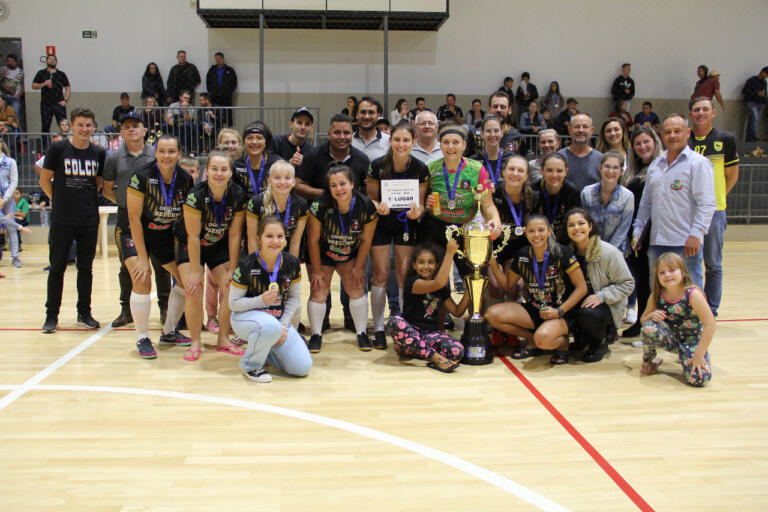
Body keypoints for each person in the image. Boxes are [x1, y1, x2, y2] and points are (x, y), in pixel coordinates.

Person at [122, 134, 194, 358]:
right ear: (156, 153)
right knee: (142, 278)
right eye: (162, 151)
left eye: (171, 151)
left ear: (179, 154)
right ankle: (142, 338)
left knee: (184, 280)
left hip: (164, 235)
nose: (166, 155)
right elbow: (133, 219)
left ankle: (169, 332)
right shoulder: (141, 176)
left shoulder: (184, 179)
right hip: (134, 233)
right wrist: (143, 259)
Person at [485, 214, 587, 365]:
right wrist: (493, 265)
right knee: (492, 314)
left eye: (541, 230)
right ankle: (531, 338)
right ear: (525, 233)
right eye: (531, 231)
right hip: (536, 309)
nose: (536, 235)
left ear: (549, 230)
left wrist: (559, 311)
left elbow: (582, 288)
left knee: (543, 341)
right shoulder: (522, 255)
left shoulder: (562, 252)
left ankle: (562, 344)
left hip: (562, 312)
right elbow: (507, 286)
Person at [102, 111, 171, 328]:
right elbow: (106, 189)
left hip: (154, 216)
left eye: (136, 125)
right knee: (128, 266)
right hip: (126, 218)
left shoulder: (155, 154)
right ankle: (126, 310)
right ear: (121, 131)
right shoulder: (113, 157)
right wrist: (127, 203)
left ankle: (165, 308)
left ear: (144, 130)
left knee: (160, 264)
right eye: (127, 126)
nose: (132, 129)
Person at [39, 108, 105, 333]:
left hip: (88, 219)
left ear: (94, 127)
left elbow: (97, 183)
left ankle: (84, 313)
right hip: (62, 219)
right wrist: (56, 199)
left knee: (86, 268)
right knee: (57, 268)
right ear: (72, 126)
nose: (85, 129)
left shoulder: (98, 152)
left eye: (89, 125)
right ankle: (51, 316)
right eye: (81, 125)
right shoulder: (58, 148)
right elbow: (45, 179)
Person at [177, 151, 247, 361]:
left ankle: (223, 339)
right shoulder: (195, 195)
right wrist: (196, 271)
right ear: (206, 171)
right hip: (190, 245)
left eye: (223, 169)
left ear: (230, 172)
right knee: (193, 289)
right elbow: (193, 236)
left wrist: (233, 268)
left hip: (218, 245)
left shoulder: (237, 194)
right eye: (214, 169)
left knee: (232, 288)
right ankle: (196, 341)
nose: (219, 173)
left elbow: (235, 235)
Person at [633, 114, 717, 289]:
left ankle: (695, 318)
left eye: (677, 131)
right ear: (662, 135)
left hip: (685, 242)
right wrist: (638, 232)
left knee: (689, 290)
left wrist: (696, 234)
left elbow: (707, 204)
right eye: (668, 132)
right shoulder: (656, 165)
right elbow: (646, 204)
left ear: (687, 133)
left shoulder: (698, 163)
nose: (672, 136)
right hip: (657, 242)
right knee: (659, 291)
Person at [366, 121, 429, 348]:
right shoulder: (377, 165)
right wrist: (377, 206)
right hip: (382, 222)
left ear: (413, 142)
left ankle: (403, 323)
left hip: (406, 223)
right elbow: (371, 198)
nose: (401, 144)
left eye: (406, 140)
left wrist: (417, 213)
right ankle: (380, 328)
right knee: (380, 274)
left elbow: (420, 204)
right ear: (390, 140)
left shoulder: (420, 168)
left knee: (403, 273)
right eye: (397, 139)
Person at [229, 217, 312, 382]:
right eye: (269, 236)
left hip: (277, 323)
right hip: (245, 319)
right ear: (259, 238)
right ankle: (250, 366)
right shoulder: (246, 265)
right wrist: (260, 301)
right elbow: (233, 304)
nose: (275, 241)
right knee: (269, 326)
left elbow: (294, 298)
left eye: (280, 236)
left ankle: (265, 350)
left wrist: (283, 326)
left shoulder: (292, 263)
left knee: (302, 368)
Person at [305, 164, 378, 352]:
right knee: (318, 290)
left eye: (343, 183)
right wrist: (318, 270)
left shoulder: (366, 206)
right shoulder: (319, 205)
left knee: (356, 287)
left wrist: (359, 266)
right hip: (322, 253)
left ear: (352, 184)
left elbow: (367, 239)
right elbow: (312, 241)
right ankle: (316, 335)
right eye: (334, 185)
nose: (339, 189)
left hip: (350, 253)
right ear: (329, 188)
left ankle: (361, 333)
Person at [421, 125, 502, 276]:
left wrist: (495, 220)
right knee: (433, 277)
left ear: (464, 145)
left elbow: (488, 204)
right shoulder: (430, 168)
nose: (450, 147)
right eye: (446, 142)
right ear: (440, 144)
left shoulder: (477, 169)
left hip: (466, 228)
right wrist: (426, 202)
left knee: (472, 276)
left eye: (456, 142)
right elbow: (421, 201)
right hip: (436, 228)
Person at [688, 97, 739, 316]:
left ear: (713, 113)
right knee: (691, 262)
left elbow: (732, 175)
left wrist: (715, 202)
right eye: (696, 110)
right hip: (688, 212)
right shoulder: (685, 139)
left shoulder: (726, 139)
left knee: (713, 263)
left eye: (705, 109)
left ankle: (712, 309)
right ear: (691, 114)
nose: (700, 113)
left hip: (715, 212)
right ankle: (693, 305)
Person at [385, 241, 470, 372]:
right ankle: (434, 357)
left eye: (430, 262)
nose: (426, 266)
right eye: (421, 262)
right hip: (411, 333)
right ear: (414, 265)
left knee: (458, 350)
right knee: (394, 321)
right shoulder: (412, 283)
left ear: (436, 265)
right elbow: (439, 282)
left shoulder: (441, 288)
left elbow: (457, 312)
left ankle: (421, 352)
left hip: (431, 335)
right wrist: (449, 253)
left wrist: (470, 290)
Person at [566, 208, 634, 362]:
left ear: (590, 226)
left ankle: (601, 342)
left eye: (581, 223)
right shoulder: (567, 253)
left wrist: (601, 296)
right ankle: (582, 339)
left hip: (606, 304)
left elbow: (628, 283)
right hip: (578, 300)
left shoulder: (608, 252)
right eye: (571, 225)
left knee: (587, 313)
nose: (576, 228)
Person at [639, 252, 716, 387]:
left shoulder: (693, 294)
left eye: (672, 270)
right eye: (662, 273)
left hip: (691, 342)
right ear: (657, 277)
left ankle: (689, 356)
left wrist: (699, 354)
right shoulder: (657, 294)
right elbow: (643, 321)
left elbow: (710, 325)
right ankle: (649, 361)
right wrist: (651, 316)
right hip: (672, 339)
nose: (667, 275)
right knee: (648, 327)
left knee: (699, 380)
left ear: (683, 271)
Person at [622, 126, 662, 338]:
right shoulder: (631, 172)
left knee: (653, 280)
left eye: (646, 142)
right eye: (638, 143)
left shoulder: (661, 168)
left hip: (653, 233)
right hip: (635, 234)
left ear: (655, 142)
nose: (642, 146)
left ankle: (653, 323)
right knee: (640, 280)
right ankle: (642, 320)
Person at [296, 113, 368, 200]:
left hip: (352, 212)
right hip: (319, 211)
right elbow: (298, 186)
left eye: (346, 133)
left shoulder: (362, 159)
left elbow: (367, 193)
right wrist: (327, 194)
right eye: (337, 133)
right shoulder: (313, 155)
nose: (342, 137)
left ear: (352, 134)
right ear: (329, 134)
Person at [247, 160, 308, 261]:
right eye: (277, 178)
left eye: (287, 178)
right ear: (269, 181)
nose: (283, 182)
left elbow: (295, 242)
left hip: (285, 258)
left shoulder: (301, 205)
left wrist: (291, 267)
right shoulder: (256, 203)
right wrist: (256, 266)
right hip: (261, 257)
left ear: (293, 182)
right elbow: (253, 239)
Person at [580, 151, 634, 252]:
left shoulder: (628, 196)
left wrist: (608, 252)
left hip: (617, 252)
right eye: (607, 166)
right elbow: (584, 224)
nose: (610, 171)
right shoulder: (586, 193)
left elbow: (623, 229)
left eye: (615, 168)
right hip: (591, 250)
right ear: (600, 168)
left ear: (621, 171)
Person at [232, 121, 284, 203]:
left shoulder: (277, 164)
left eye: (259, 138)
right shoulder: (235, 166)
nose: (254, 142)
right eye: (249, 138)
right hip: (244, 212)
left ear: (265, 142)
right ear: (244, 142)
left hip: (272, 212)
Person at [534, 153, 581, 241]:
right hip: (536, 238)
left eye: (559, 171)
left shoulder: (571, 191)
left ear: (566, 172)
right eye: (549, 170)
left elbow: (575, 221)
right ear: (541, 171)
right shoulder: (533, 189)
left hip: (564, 239)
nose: (554, 175)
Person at [557, 113, 602, 190]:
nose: (581, 130)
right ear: (569, 129)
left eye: (585, 127)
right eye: (577, 127)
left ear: (591, 130)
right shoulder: (558, 158)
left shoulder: (601, 159)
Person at [271, 107, 315, 180]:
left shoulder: (312, 152)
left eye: (307, 124)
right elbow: (267, 169)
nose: (303, 127)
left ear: (311, 128)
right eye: (299, 123)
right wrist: (288, 163)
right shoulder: (275, 143)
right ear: (291, 124)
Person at [31, 54, 70, 134]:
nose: (52, 60)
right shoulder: (41, 73)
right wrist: (43, 84)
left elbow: (68, 88)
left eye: (54, 59)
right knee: (45, 126)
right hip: (46, 104)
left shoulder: (61, 74)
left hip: (59, 103)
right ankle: (45, 146)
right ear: (46, 61)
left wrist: (65, 100)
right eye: (50, 59)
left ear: (56, 62)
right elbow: (34, 86)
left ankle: (65, 144)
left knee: (64, 126)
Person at [470, 115, 512, 188]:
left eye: (496, 131)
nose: (493, 135)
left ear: (502, 133)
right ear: (482, 134)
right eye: (488, 131)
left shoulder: (511, 159)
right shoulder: (473, 161)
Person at [0, 142, 23, 268]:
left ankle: (15, 257)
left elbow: (14, 182)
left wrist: (5, 198)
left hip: (7, 200)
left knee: (11, 227)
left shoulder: (10, 162)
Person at [353, 96, 390, 161]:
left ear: (378, 115)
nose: (367, 117)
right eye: (363, 112)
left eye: (371, 112)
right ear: (356, 115)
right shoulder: (348, 141)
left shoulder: (389, 141)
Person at [205, 52, 237, 127]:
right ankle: (217, 129)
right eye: (216, 59)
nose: (218, 60)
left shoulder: (229, 70)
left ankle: (229, 129)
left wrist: (229, 92)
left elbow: (234, 83)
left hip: (226, 97)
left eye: (219, 58)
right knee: (216, 113)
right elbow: (208, 82)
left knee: (227, 114)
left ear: (223, 59)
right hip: (214, 96)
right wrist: (210, 92)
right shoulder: (212, 70)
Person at [742, 66, 768, 141]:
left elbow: (764, 93)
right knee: (754, 117)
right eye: (766, 74)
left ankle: (749, 137)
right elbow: (745, 91)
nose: (766, 76)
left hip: (760, 103)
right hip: (751, 102)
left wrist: (763, 102)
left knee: (754, 120)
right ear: (762, 72)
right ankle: (752, 136)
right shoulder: (751, 80)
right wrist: (757, 93)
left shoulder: (764, 82)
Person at [1, 54, 25, 131]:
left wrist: (19, 95)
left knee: (16, 115)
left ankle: (20, 137)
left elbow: (23, 85)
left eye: (12, 61)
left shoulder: (20, 72)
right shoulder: (2, 70)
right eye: (8, 61)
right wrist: (3, 77)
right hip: (2, 98)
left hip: (14, 97)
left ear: (16, 62)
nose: (10, 63)